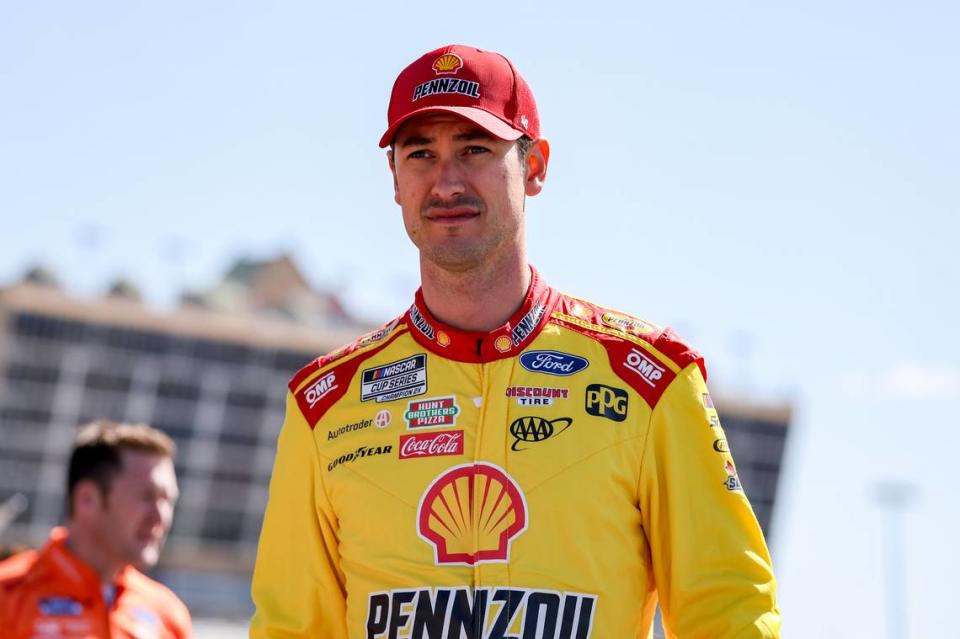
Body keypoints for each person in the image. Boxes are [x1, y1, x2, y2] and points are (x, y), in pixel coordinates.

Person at [251, 44, 780, 638]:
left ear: (535, 167)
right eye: (420, 153)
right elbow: (291, 628)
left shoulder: (650, 379)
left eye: (475, 149)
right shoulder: (325, 405)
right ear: (395, 180)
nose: (446, 181)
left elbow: (728, 610)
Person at [0, 420, 191, 638]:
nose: (160, 516)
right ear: (87, 499)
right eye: (146, 497)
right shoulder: (7, 597)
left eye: (168, 500)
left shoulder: (167, 612)